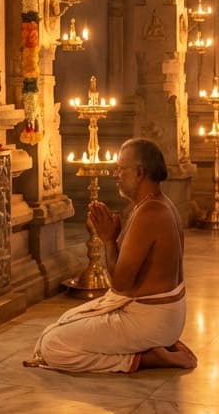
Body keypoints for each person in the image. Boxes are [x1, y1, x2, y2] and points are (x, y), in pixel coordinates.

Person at [25, 138, 198, 373]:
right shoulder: (156, 204)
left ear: (139, 173)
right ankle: (156, 346)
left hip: (151, 320)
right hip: (162, 317)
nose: (115, 174)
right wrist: (114, 238)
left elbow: (121, 283)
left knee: (53, 346)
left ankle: (145, 359)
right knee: (64, 321)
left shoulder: (151, 212)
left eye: (120, 168)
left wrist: (108, 240)